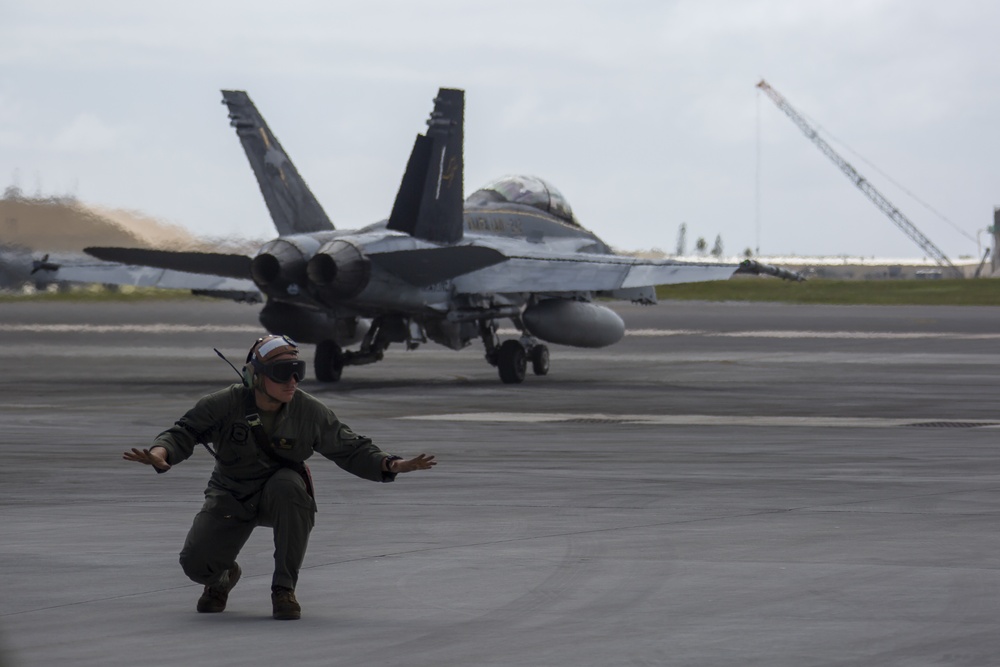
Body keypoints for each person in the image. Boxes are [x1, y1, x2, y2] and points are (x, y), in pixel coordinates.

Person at [123, 334, 436, 620]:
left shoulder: (308, 411)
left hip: (279, 493)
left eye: (297, 370)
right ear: (255, 377)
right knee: (194, 564)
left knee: (288, 485)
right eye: (283, 373)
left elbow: (350, 447)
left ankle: (283, 589)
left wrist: (392, 464)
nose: (293, 381)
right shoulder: (224, 404)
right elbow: (184, 432)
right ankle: (221, 578)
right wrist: (160, 455)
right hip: (232, 492)